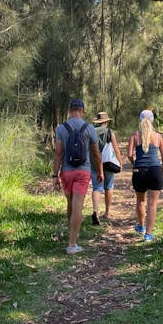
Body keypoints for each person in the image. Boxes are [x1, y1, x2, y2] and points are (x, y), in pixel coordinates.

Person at [52, 99, 104, 254]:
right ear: (82, 111)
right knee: (77, 206)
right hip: (83, 171)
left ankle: (72, 235)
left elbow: (58, 154)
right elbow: (96, 153)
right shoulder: (89, 128)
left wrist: (54, 175)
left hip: (66, 171)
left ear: (69, 111)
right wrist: (100, 171)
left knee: (71, 204)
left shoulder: (61, 128)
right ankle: (72, 244)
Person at [127, 109, 163, 242]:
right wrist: (162, 169)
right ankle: (148, 234)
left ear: (140, 120)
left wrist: (135, 164)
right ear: (152, 120)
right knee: (152, 204)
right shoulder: (157, 136)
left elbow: (129, 154)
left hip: (139, 171)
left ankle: (141, 226)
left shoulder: (134, 136)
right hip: (155, 170)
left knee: (140, 200)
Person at [90, 111, 124, 225]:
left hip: (94, 163)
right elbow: (115, 148)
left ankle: (95, 211)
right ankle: (107, 212)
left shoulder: (91, 132)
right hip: (108, 163)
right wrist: (120, 162)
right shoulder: (109, 132)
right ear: (106, 122)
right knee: (108, 186)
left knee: (96, 188)